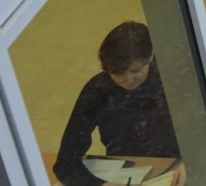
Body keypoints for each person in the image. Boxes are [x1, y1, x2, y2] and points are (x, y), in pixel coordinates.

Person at [54, 22, 187, 186]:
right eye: (118, 73)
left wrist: (194, 163)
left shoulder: (176, 79)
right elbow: (65, 163)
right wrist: (101, 185)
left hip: (178, 171)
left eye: (136, 71)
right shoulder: (98, 91)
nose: (128, 80)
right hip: (126, 174)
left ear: (150, 57)